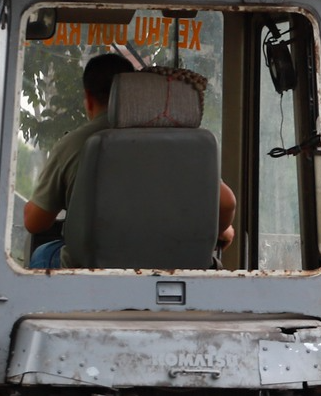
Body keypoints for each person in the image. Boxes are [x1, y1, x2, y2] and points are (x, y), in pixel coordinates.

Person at [25, 52, 236, 268]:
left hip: (92, 271)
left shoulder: (75, 143)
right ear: (133, 91)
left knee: (42, 254)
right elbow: (227, 202)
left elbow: (35, 222)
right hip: (176, 267)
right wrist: (220, 230)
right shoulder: (183, 143)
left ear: (88, 99)